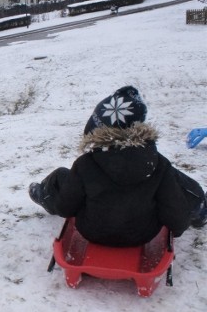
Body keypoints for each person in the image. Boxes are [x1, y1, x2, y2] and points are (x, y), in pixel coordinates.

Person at [29, 86, 206, 247]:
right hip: (142, 235)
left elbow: (65, 208)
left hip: (92, 233)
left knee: (62, 175)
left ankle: (44, 195)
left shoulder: (85, 164)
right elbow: (177, 219)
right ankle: (200, 209)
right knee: (173, 182)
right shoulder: (158, 164)